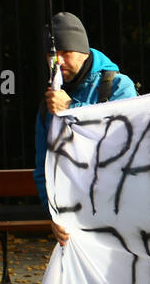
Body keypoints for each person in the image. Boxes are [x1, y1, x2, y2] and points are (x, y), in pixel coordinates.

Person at [35, 12, 137, 246]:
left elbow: (127, 142)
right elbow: (44, 167)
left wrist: (72, 108)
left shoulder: (118, 86)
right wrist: (54, 212)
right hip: (74, 227)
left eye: (65, 53)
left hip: (121, 216)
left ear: (83, 51)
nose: (58, 62)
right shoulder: (47, 104)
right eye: (52, 54)